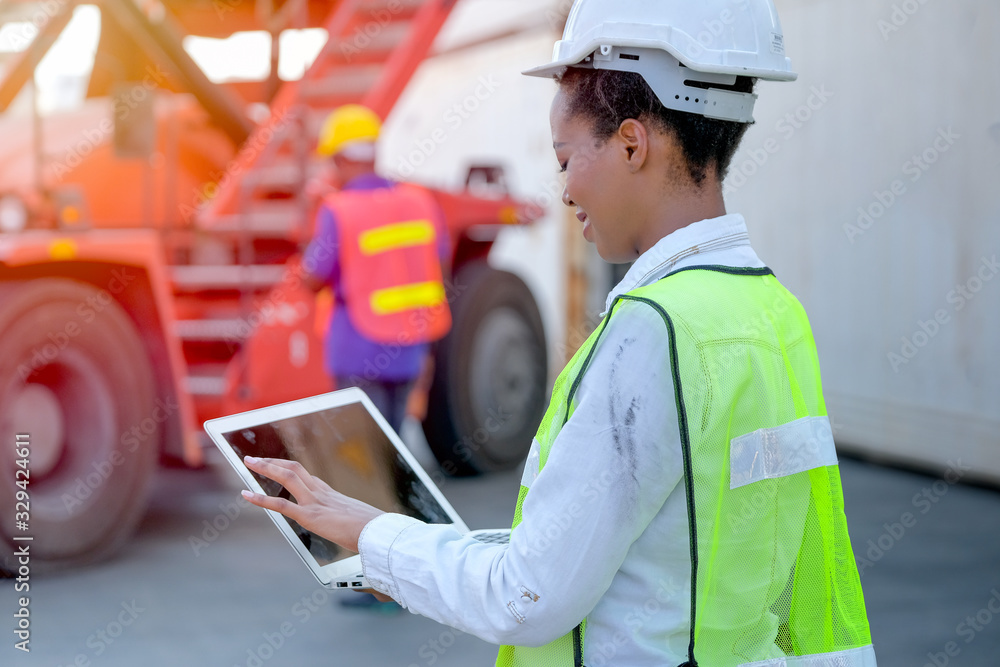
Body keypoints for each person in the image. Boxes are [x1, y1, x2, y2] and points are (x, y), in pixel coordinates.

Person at [243, 1, 877, 664]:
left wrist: (372, 535)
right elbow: (765, 572)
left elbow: (527, 593)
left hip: (359, 345)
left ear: (633, 144)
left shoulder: (650, 334)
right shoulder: (773, 313)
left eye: (567, 157)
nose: (565, 191)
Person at [302, 104, 452, 435]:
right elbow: (440, 264)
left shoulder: (338, 210)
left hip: (356, 349)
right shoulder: (420, 202)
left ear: (340, 159)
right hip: (409, 348)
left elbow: (313, 277)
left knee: (362, 452)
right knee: (394, 443)